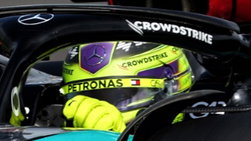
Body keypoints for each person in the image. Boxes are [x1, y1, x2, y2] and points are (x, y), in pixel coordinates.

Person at [60, 41, 193, 131]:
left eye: (122, 96)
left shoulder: (203, 134)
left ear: (170, 85)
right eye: (85, 96)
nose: (99, 109)